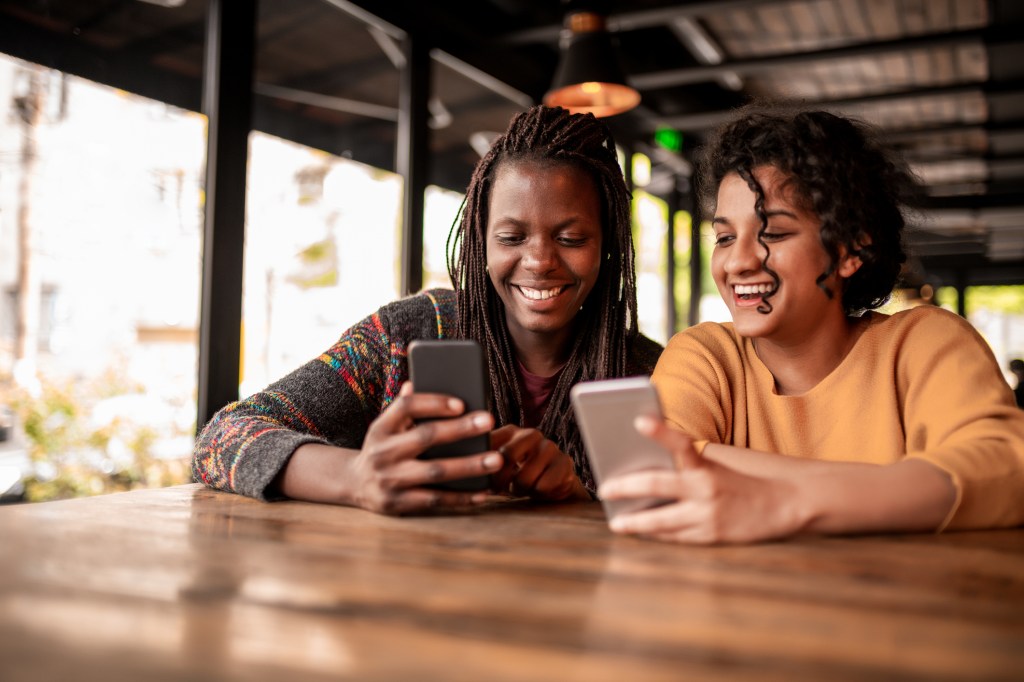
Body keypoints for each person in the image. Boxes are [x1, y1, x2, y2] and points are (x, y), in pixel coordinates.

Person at [192, 105, 662, 514]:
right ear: (479, 242)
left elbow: (664, 522)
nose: (539, 262)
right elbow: (220, 439)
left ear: (609, 245)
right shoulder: (407, 334)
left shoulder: (651, 374)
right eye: (511, 238)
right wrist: (354, 476)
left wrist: (578, 496)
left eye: (571, 238)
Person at [599, 106, 1024, 544]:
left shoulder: (924, 344)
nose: (739, 262)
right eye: (725, 237)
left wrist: (787, 503)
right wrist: (896, 485)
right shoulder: (705, 355)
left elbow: (1006, 469)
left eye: (775, 234)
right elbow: (659, 474)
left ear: (848, 251)